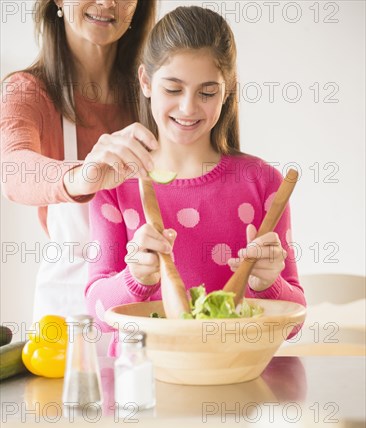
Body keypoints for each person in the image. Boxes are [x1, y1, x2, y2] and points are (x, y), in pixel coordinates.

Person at [85, 5, 306, 346]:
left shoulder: (263, 183)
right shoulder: (115, 183)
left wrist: (267, 284)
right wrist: (135, 279)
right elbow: (97, 313)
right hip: (141, 387)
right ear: (145, 81)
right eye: (173, 89)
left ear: (227, 90)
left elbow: (293, 323)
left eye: (206, 92)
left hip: (234, 382)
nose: (188, 108)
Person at [1, 0, 158, 321]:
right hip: (69, 320)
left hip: (147, 314)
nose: (106, 3)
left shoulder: (155, 93)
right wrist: (82, 176)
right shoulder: (28, 92)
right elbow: (12, 169)